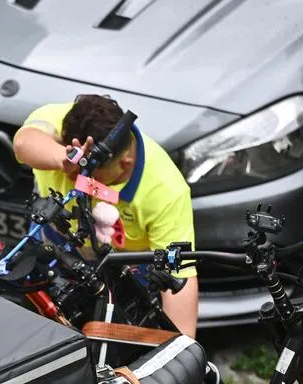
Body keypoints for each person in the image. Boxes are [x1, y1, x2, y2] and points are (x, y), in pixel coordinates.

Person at [13, 94, 199, 337]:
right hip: (54, 248)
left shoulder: (166, 190)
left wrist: (183, 352)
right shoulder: (71, 121)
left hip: (123, 272)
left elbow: (177, 276)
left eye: (90, 174)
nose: (76, 178)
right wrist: (65, 159)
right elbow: (23, 142)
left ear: (125, 164)